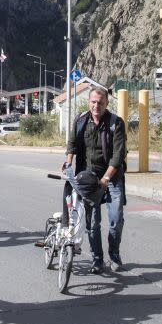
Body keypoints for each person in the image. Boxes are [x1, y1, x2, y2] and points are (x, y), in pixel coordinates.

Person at [64, 86, 127, 274]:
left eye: (100, 102)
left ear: (107, 103)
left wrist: (107, 177)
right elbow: (72, 144)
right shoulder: (81, 120)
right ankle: (97, 259)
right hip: (89, 179)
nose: (96, 105)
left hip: (112, 179)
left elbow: (118, 155)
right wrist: (68, 163)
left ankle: (114, 255)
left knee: (116, 219)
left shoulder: (116, 123)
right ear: (88, 102)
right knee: (92, 223)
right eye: (93, 102)